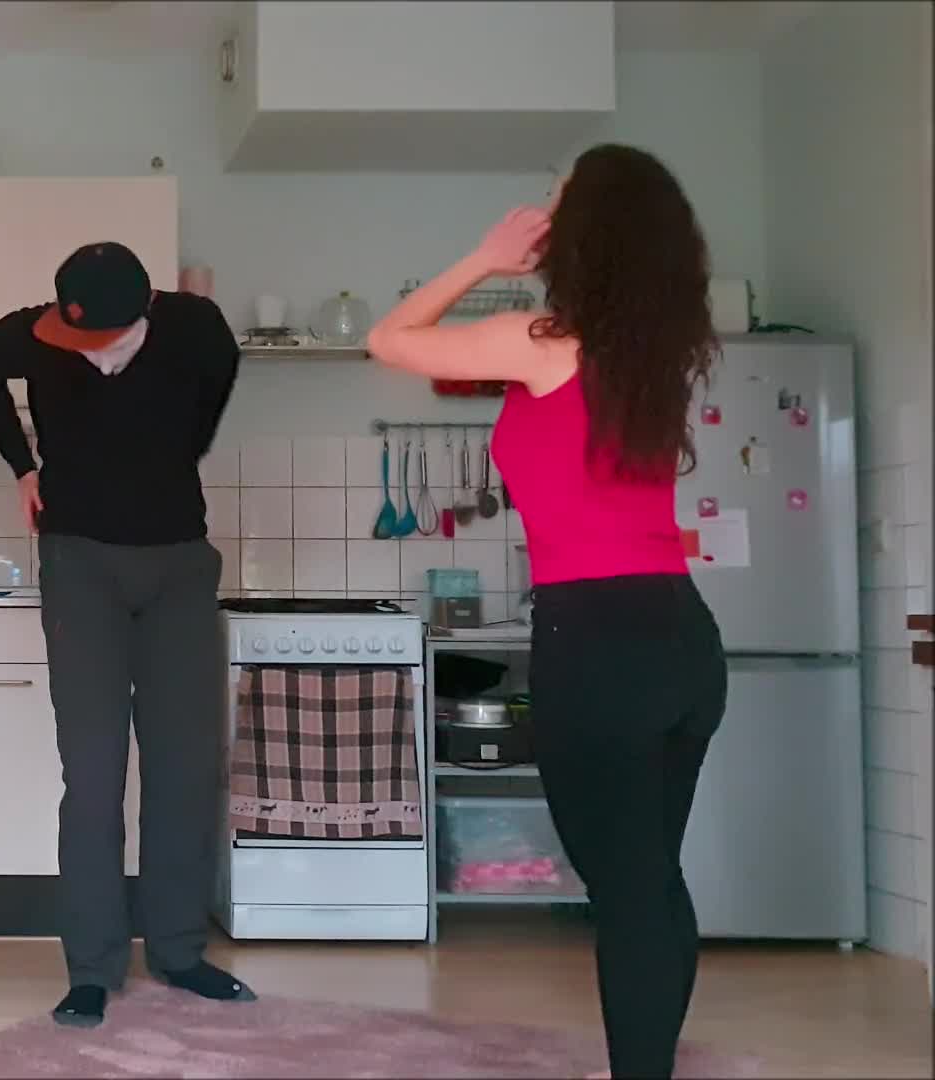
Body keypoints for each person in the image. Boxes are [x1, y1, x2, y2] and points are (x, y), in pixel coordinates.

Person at [366, 143, 727, 1079]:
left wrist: (487, 259)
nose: (545, 212)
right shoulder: (656, 354)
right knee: (652, 879)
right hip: (682, 635)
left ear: (585, 232)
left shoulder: (543, 340)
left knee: (629, 889)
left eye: (559, 201)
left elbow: (390, 338)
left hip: (599, 640)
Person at [0, 241, 249, 1029]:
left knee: (184, 768)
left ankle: (179, 953)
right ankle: (91, 967)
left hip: (179, 566)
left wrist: (183, 448)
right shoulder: (33, 333)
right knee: (92, 776)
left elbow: (220, 376)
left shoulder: (192, 325)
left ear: (141, 311)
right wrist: (22, 465)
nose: (72, 338)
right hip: (80, 565)